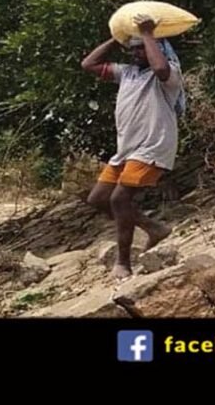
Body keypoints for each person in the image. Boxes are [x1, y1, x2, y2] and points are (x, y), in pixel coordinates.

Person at [81, 14, 183, 279]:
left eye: (143, 48)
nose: (138, 53)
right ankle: (153, 228)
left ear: (158, 48)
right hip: (126, 150)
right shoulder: (127, 73)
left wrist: (148, 33)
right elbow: (89, 64)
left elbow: (160, 69)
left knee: (119, 198)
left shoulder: (169, 73)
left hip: (152, 146)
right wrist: (117, 39)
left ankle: (123, 262)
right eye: (134, 48)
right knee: (98, 199)